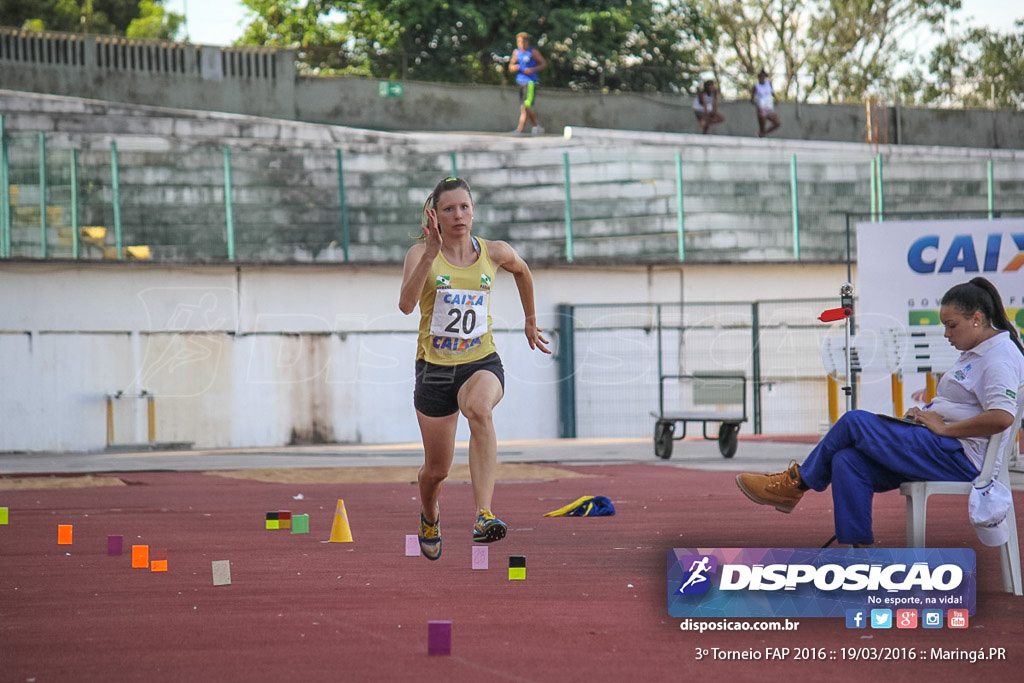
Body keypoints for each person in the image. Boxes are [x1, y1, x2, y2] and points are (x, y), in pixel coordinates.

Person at [735, 277, 1024, 547]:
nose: (946, 333)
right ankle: (859, 551)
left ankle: (795, 483)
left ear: (976, 319)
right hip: (939, 446)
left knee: (854, 422)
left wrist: (943, 427)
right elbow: (964, 404)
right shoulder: (978, 351)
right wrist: (925, 414)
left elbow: (1002, 417)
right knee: (847, 460)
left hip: (960, 458)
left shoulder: (997, 357)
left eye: (951, 325)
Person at [398, 176, 551, 561]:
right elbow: (405, 305)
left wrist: (530, 319)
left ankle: (483, 514)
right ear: (435, 215)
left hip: (480, 362)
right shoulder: (420, 255)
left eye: (464, 207)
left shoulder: (494, 252)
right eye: (449, 209)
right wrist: (432, 252)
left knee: (480, 409)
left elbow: (522, 270)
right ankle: (429, 514)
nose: (458, 215)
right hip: (434, 371)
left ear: (473, 210)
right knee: (437, 470)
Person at [509, 32, 547, 136]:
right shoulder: (516, 52)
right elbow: (511, 66)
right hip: (520, 81)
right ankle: (535, 127)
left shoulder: (533, 52)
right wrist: (515, 67)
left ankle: (521, 129)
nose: (520, 44)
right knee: (524, 107)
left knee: (526, 106)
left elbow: (543, 63)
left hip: (530, 82)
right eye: (518, 42)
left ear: (526, 42)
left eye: (521, 41)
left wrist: (532, 69)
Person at [751, 69, 781, 137]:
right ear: (759, 78)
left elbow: (772, 92)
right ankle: (761, 133)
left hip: (769, 107)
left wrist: (776, 99)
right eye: (761, 77)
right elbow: (752, 99)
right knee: (762, 124)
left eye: (764, 77)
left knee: (777, 123)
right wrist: (757, 106)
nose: (763, 78)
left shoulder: (768, 84)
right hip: (761, 107)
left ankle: (765, 132)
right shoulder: (756, 86)